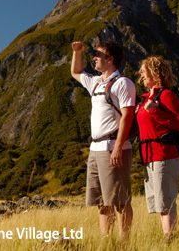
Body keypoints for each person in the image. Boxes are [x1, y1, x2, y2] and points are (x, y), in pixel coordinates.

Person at [71, 40, 136, 238]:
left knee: (119, 200)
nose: (95, 57)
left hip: (113, 147)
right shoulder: (97, 82)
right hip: (96, 148)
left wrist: (117, 147)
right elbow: (75, 72)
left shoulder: (123, 83)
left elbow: (128, 115)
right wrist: (77, 53)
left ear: (111, 59)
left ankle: (124, 242)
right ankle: (106, 241)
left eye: (99, 54)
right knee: (101, 201)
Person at [136, 56, 179, 238]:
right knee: (158, 202)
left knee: (166, 201)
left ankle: (169, 238)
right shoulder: (147, 97)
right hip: (150, 156)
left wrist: (155, 110)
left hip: (164, 154)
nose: (141, 77)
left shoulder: (167, 95)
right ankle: (168, 236)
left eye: (143, 72)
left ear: (155, 73)